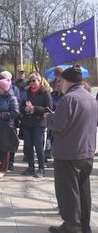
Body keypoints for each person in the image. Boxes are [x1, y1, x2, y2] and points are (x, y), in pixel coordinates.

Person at [46, 65, 97, 233]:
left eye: (61, 81)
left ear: (67, 81)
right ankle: (84, 225)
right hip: (86, 151)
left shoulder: (68, 99)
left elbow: (58, 125)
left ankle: (71, 227)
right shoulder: (90, 97)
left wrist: (49, 118)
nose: (60, 84)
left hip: (68, 152)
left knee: (68, 193)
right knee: (83, 191)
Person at [19, 72, 52, 178]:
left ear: (40, 81)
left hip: (39, 123)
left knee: (38, 145)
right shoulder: (26, 92)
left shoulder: (45, 92)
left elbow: (49, 108)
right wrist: (25, 109)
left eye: (34, 80)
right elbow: (21, 105)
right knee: (28, 146)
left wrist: (35, 108)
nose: (32, 83)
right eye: (30, 81)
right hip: (27, 122)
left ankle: (41, 168)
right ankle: (31, 167)